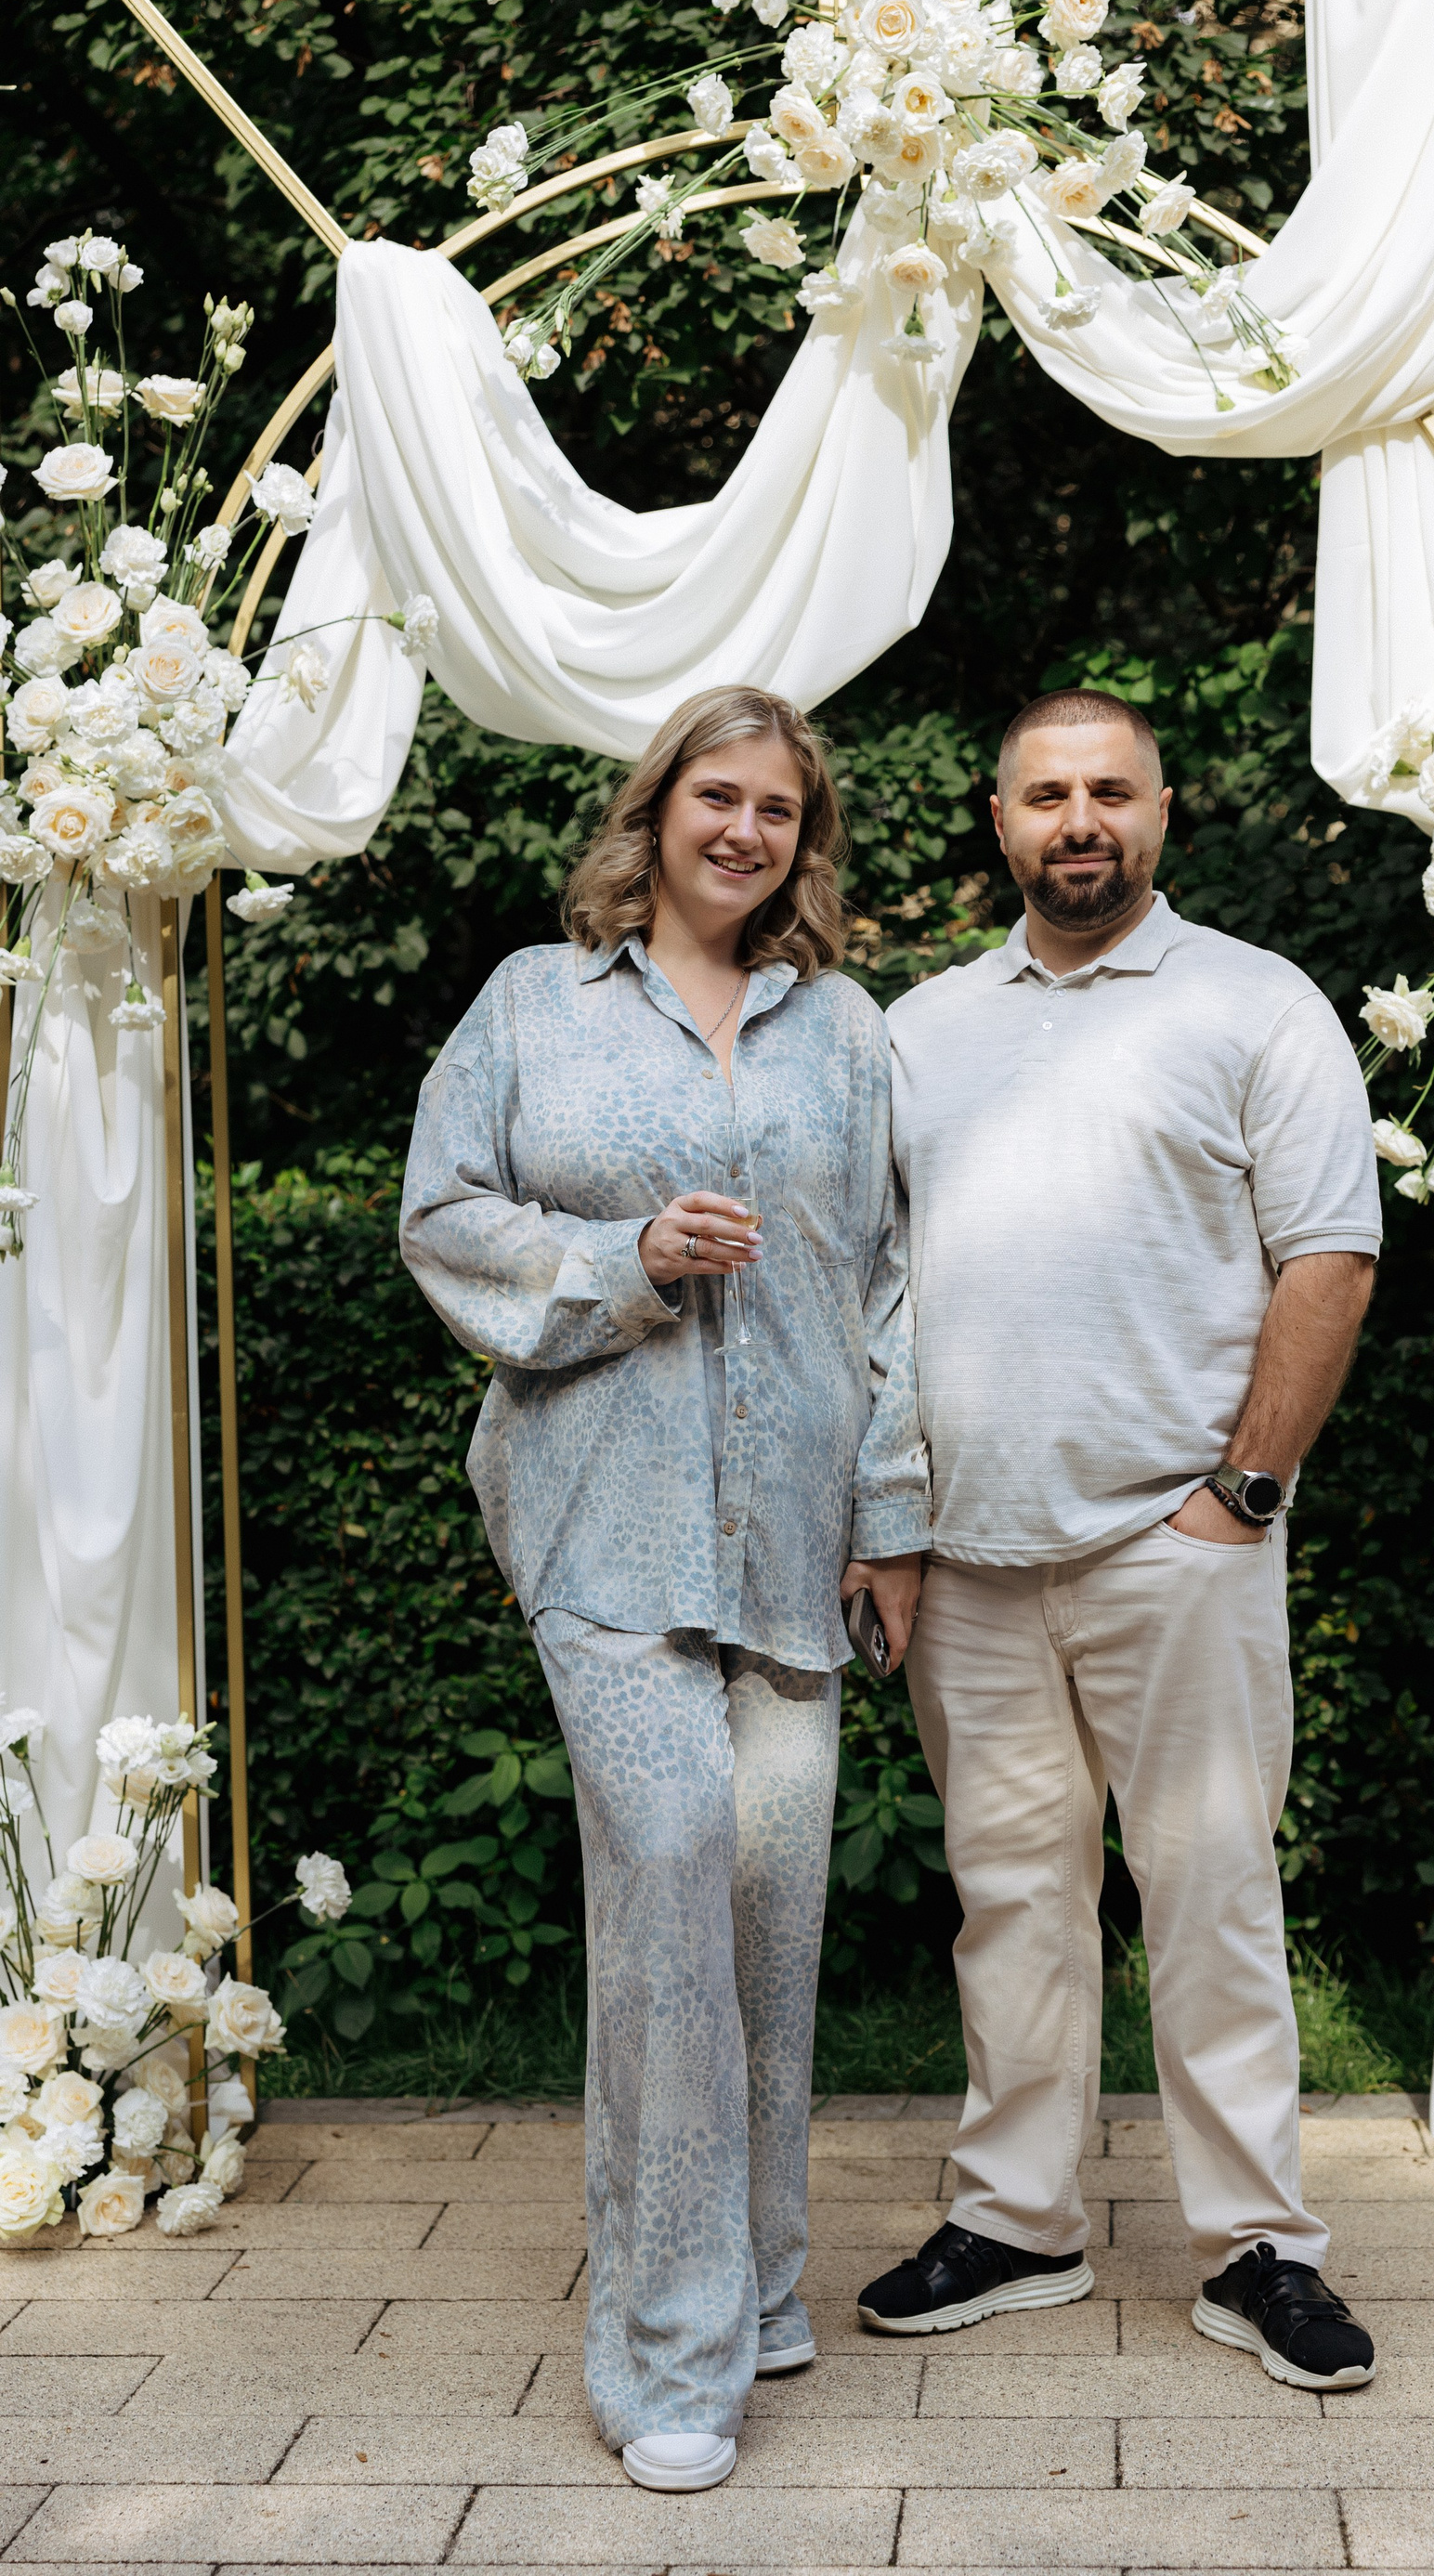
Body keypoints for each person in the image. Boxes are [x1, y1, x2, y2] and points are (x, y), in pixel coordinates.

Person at [400, 685, 927, 2491]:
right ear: (659, 808)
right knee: (676, 1883)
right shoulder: (532, 1004)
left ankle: (763, 2284)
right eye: (719, 795)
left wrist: (892, 1514)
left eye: (779, 809)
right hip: (601, 1527)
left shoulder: (845, 1033)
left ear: (803, 840)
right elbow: (441, 1218)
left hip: (797, 1534)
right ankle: (669, 2357)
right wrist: (625, 1256)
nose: (745, 830)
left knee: (770, 1916)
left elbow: (893, 1281)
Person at [859, 687, 1382, 2393]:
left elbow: (1330, 1255)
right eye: (1045, 795)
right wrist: (894, 1521)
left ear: (1162, 810)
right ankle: (1018, 2220)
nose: (1078, 820)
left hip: (1182, 1542)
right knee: (1009, 1902)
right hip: (973, 1558)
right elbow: (878, 1293)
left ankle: (1258, 2247)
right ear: (999, 820)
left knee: (1212, 1896)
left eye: (1109, 791)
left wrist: (1244, 1494)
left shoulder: (1256, 1002)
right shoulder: (921, 1030)